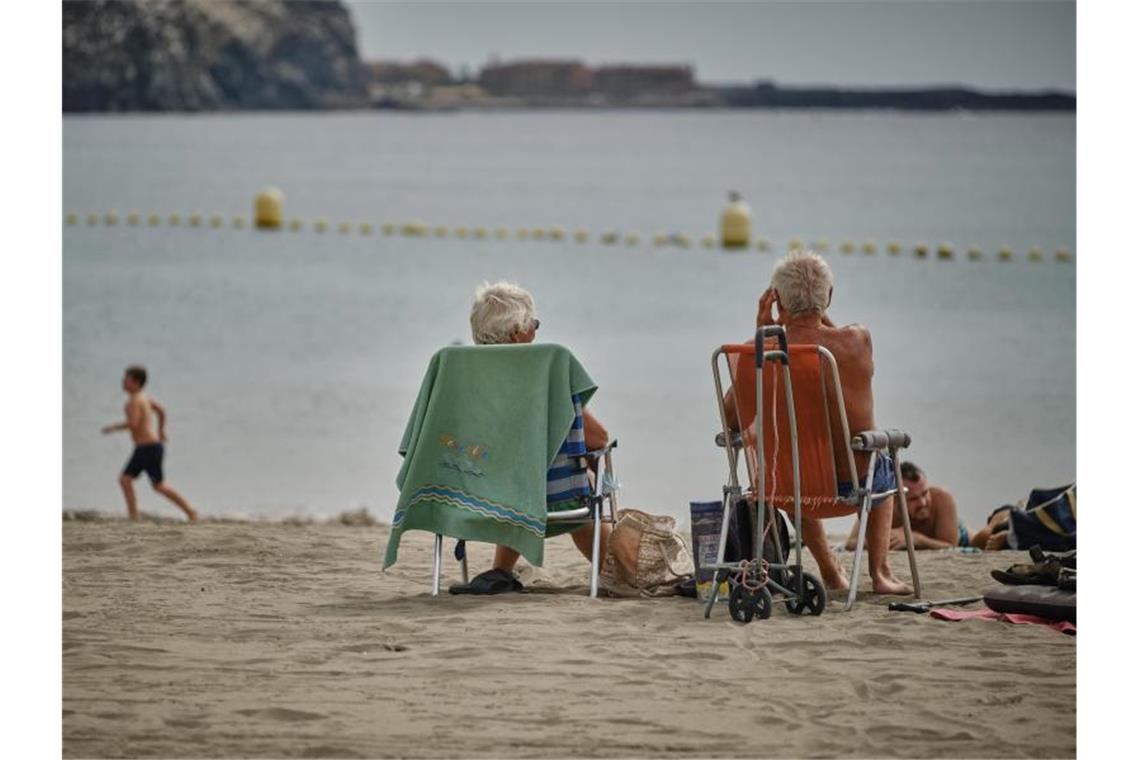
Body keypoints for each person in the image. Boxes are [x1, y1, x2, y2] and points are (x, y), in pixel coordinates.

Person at [723, 250, 911, 595]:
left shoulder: (757, 353)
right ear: (829, 298)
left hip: (787, 490)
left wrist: (763, 336)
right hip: (853, 488)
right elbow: (832, 338)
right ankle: (880, 573)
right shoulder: (856, 341)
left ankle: (829, 571)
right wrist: (818, 314)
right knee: (880, 456)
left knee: (796, 453)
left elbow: (730, 418)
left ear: (776, 300)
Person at [468, 281, 612, 575]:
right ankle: (614, 570)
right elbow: (597, 437)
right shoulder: (544, 371)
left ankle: (501, 572)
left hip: (477, 492)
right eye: (534, 323)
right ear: (517, 332)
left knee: (520, 477)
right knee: (574, 479)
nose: (536, 330)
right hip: (551, 498)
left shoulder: (465, 374)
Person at [101, 365, 198, 523]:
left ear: (136, 382)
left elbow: (133, 424)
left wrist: (113, 428)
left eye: (126, 379)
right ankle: (134, 516)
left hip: (148, 449)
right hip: (147, 448)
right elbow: (161, 411)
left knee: (157, 485)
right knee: (126, 480)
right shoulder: (144, 398)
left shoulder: (133, 402)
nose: (123, 382)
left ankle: (190, 511)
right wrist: (161, 431)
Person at [845, 461, 969, 550]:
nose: (923, 502)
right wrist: (883, 539)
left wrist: (915, 539)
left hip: (960, 533)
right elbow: (851, 543)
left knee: (982, 538)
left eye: (925, 493)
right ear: (895, 500)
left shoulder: (942, 498)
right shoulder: (882, 505)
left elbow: (952, 546)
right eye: (913, 499)